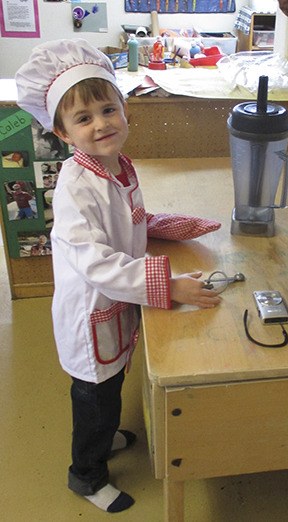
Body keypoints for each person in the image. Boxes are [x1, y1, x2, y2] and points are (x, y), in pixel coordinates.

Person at [15, 39, 222, 513]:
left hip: (114, 304)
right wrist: (167, 287)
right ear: (63, 134)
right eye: (84, 119)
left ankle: (102, 438)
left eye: (108, 110)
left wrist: (159, 224)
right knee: (95, 399)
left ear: (125, 110)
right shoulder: (74, 187)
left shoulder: (117, 166)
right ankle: (85, 475)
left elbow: (124, 220)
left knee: (109, 390)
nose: (101, 124)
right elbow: (95, 262)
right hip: (91, 313)